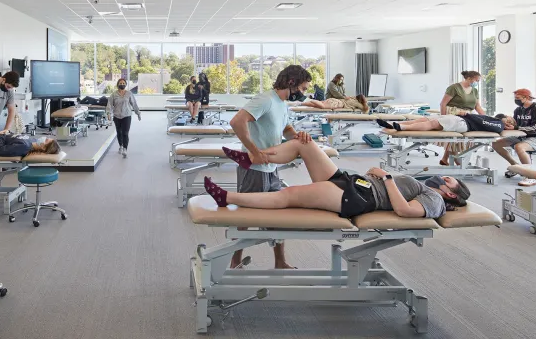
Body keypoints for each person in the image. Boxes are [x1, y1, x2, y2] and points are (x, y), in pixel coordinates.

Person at [205, 139, 470, 219]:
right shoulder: (428, 188)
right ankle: (254, 159)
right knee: (303, 144)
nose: (441, 177)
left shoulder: (434, 199)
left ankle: (224, 197)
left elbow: (403, 209)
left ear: (451, 194)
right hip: (354, 182)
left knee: (289, 194)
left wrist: (387, 177)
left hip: (358, 198)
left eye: (448, 180)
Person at [228, 65, 313, 270]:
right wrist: (254, 151)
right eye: (302, 88)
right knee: (245, 217)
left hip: (271, 169)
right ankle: (234, 261)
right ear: (291, 83)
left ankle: (280, 262)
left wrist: (297, 135)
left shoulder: (282, 103)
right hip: (253, 170)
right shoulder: (266, 99)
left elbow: (284, 128)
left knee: (278, 216)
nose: (303, 93)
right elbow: (237, 122)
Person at [492, 89, 536, 187]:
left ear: (526, 97)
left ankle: (530, 176)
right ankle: (517, 166)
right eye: (515, 98)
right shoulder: (518, 110)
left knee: (519, 147)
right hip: (523, 137)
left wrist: (515, 128)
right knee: (496, 144)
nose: (516, 100)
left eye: (518, 98)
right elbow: (516, 126)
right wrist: (506, 125)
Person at [437, 70, 485, 165]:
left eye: (478, 81)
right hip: (454, 114)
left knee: (458, 138)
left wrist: (485, 118)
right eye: (476, 80)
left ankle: (444, 159)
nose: (477, 83)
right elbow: (443, 104)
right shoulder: (454, 88)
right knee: (454, 138)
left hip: (467, 116)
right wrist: (443, 117)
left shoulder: (474, 91)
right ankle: (457, 160)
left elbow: (477, 106)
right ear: (468, 78)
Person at [106, 78, 141, 158]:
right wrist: (108, 113)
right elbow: (109, 105)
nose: (122, 84)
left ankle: (125, 149)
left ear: (125, 84)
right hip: (117, 116)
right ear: (118, 84)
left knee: (125, 133)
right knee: (119, 132)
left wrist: (138, 113)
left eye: (123, 83)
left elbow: (134, 104)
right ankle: (121, 145)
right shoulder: (114, 94)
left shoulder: (129, 93)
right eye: (120, 83)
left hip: (127, 115)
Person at [376, 112, 506, 134]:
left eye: (511, 122)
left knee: (433, 124)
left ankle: (402, 127)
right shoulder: (494, 119)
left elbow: (483, 122)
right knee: (425, 119)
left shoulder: (499, 125)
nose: (509, 122)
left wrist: (468, 114)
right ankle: (392, 123)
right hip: (460, 119)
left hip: (464, 124)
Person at [300, 94, 369, 113]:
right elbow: (365, 110)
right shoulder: (357, 103)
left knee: (316, 105)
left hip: (334, 100)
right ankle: (309, 99)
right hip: (337, 103)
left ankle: (300, 103)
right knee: (322, 106)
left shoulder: (352, 98)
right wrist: (365, 103)